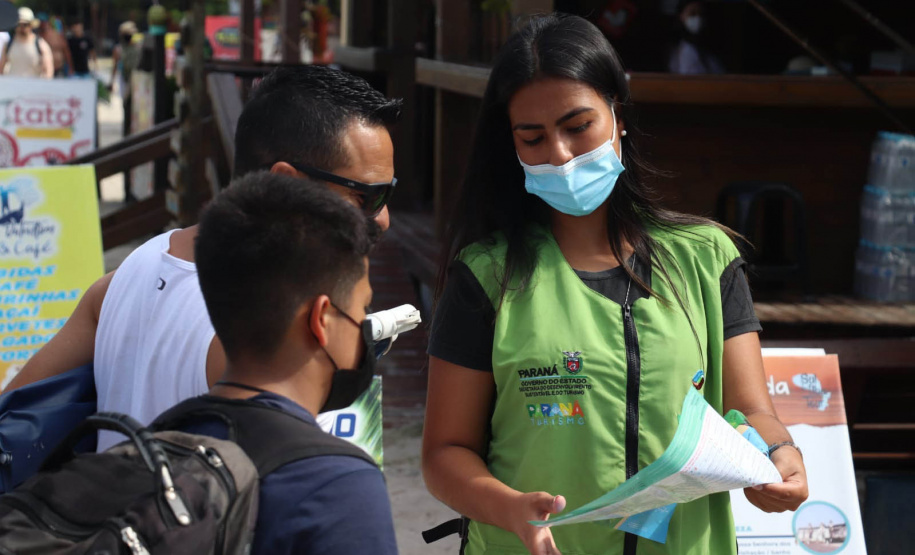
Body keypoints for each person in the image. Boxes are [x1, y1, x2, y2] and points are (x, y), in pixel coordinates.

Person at [422, 13, 807, 555]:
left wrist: (781, 452)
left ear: (618, 116)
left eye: (578, 126)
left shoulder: (705, 259)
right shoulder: (487, 276)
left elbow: (751, 412)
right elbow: (444, 453)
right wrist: (505, 506)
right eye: (532, 137)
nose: (559, 154)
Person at [2, 65, 401, 452]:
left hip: (113, 513)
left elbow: (14, 412)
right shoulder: (284, 327)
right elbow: (315, 496)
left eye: (389, 193)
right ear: (285, 183)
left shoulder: (131, 271)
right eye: (366, 196)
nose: (382, 218)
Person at [173, 170, 398, 554]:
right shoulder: (338, 485)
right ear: (321, 319)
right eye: (362, 308)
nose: (365, 325)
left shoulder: (158, 444)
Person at [668, 0, 724, 75]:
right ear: (681, 16)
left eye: (700, 14)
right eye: (692, 13)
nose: (697, 18)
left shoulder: (707, 49)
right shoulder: (677, 50)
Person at [0, 8, 53, 78]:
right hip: (12, 87)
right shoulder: (8, 44)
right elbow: (1, 70)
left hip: (33, 87)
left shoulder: (41, 45)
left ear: (31, 25)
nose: (21, 27)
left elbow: (48, 72)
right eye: (19, 24)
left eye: (25, 24)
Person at [110, 21, 139, 141]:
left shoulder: (137, 47)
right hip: (125, 81)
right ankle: (127, 134)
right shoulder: (119, 49)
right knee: (127, 107)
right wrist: (111, 82)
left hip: (136, 81)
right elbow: (115, 67)